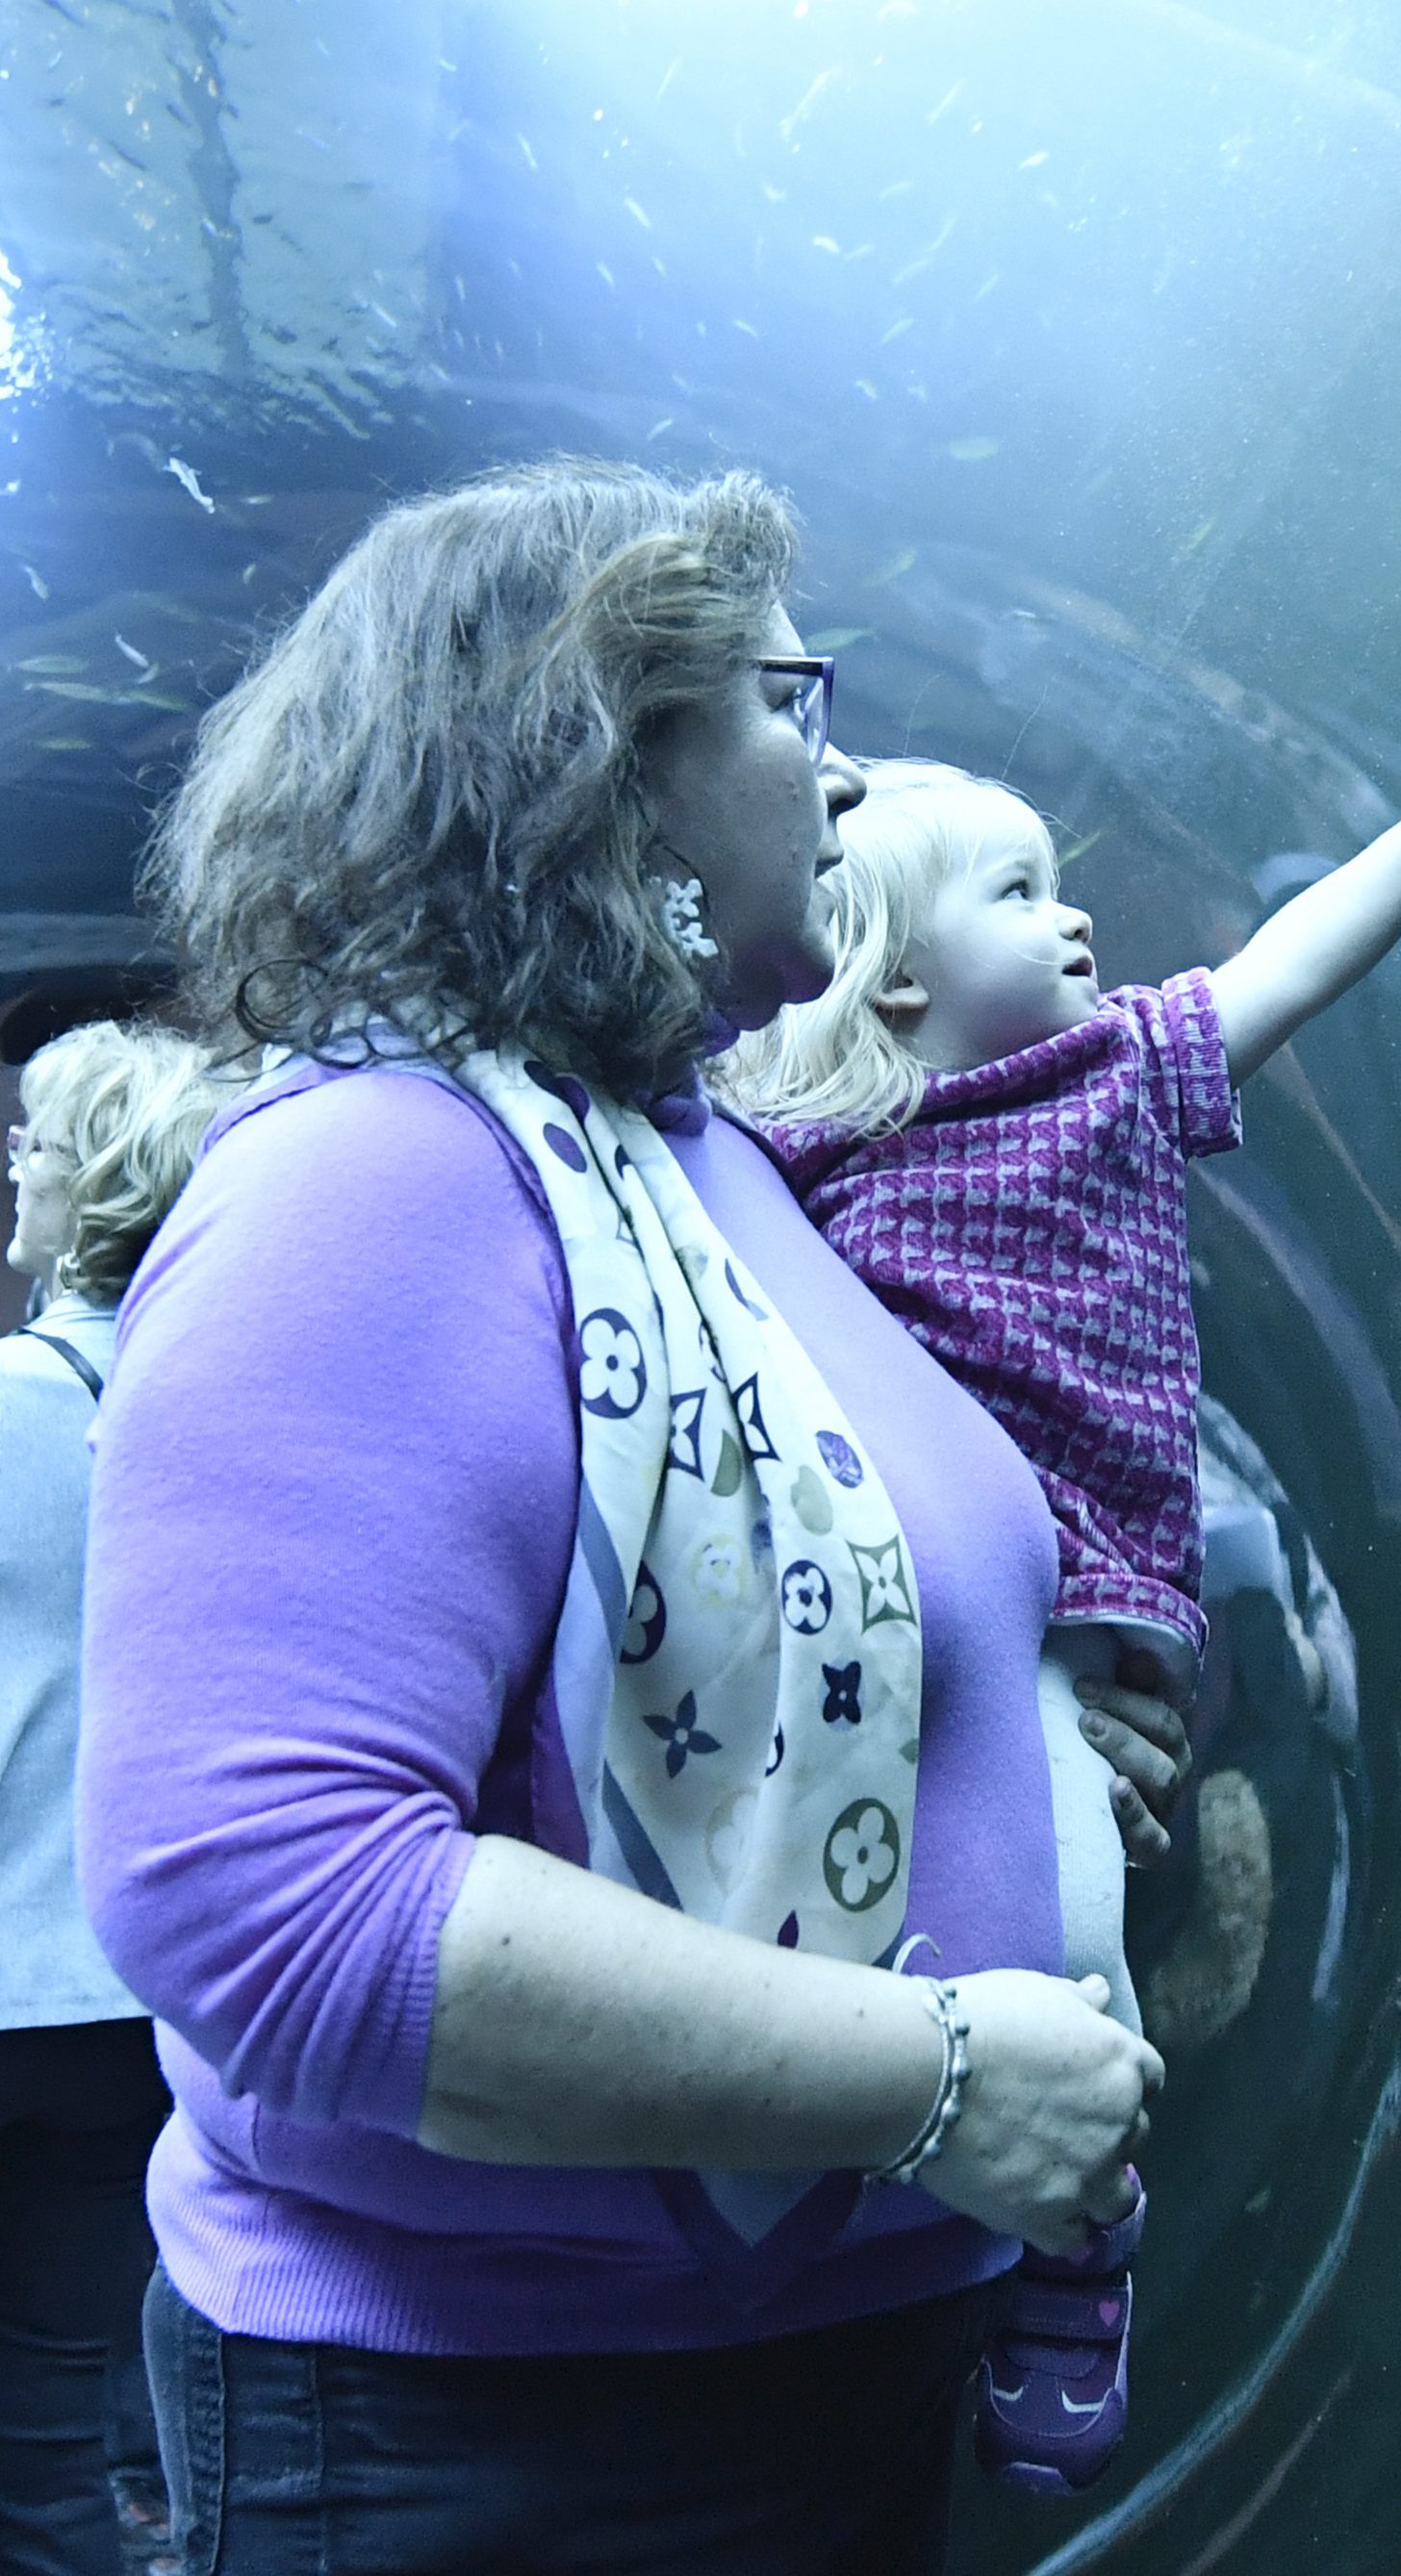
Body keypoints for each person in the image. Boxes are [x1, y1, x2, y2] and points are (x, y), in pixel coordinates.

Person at [71, 460, 1195, 2576]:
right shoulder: (379, 1179)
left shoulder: (703, 1171)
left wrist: (1018, 1725)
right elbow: (265, 1892)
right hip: (514, 2439)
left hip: (778, 2382)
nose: (843, 779)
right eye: (796, 699)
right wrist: (933, 2072)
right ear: (603, 746)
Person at [712, 694, 1401, 2489]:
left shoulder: (1113, 1073)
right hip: (880, 1611)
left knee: (1066, 1931)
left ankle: (1076, 2248)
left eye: (1060, 885)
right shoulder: (790, 1150)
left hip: (1085, 1607)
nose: (1075, 920)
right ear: (894, 980)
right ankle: (818, 2230)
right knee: (854, 1924)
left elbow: (1281, 969)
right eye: (1014, 894)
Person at [0, 1019, 225, 2576]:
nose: (16, 1158)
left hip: (7, 1978)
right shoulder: (219, 1400)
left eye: (38, 1134)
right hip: (139, 1985)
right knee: (77, 2380)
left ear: (93, 1180)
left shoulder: (14, 1392)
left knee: (18, 2437)